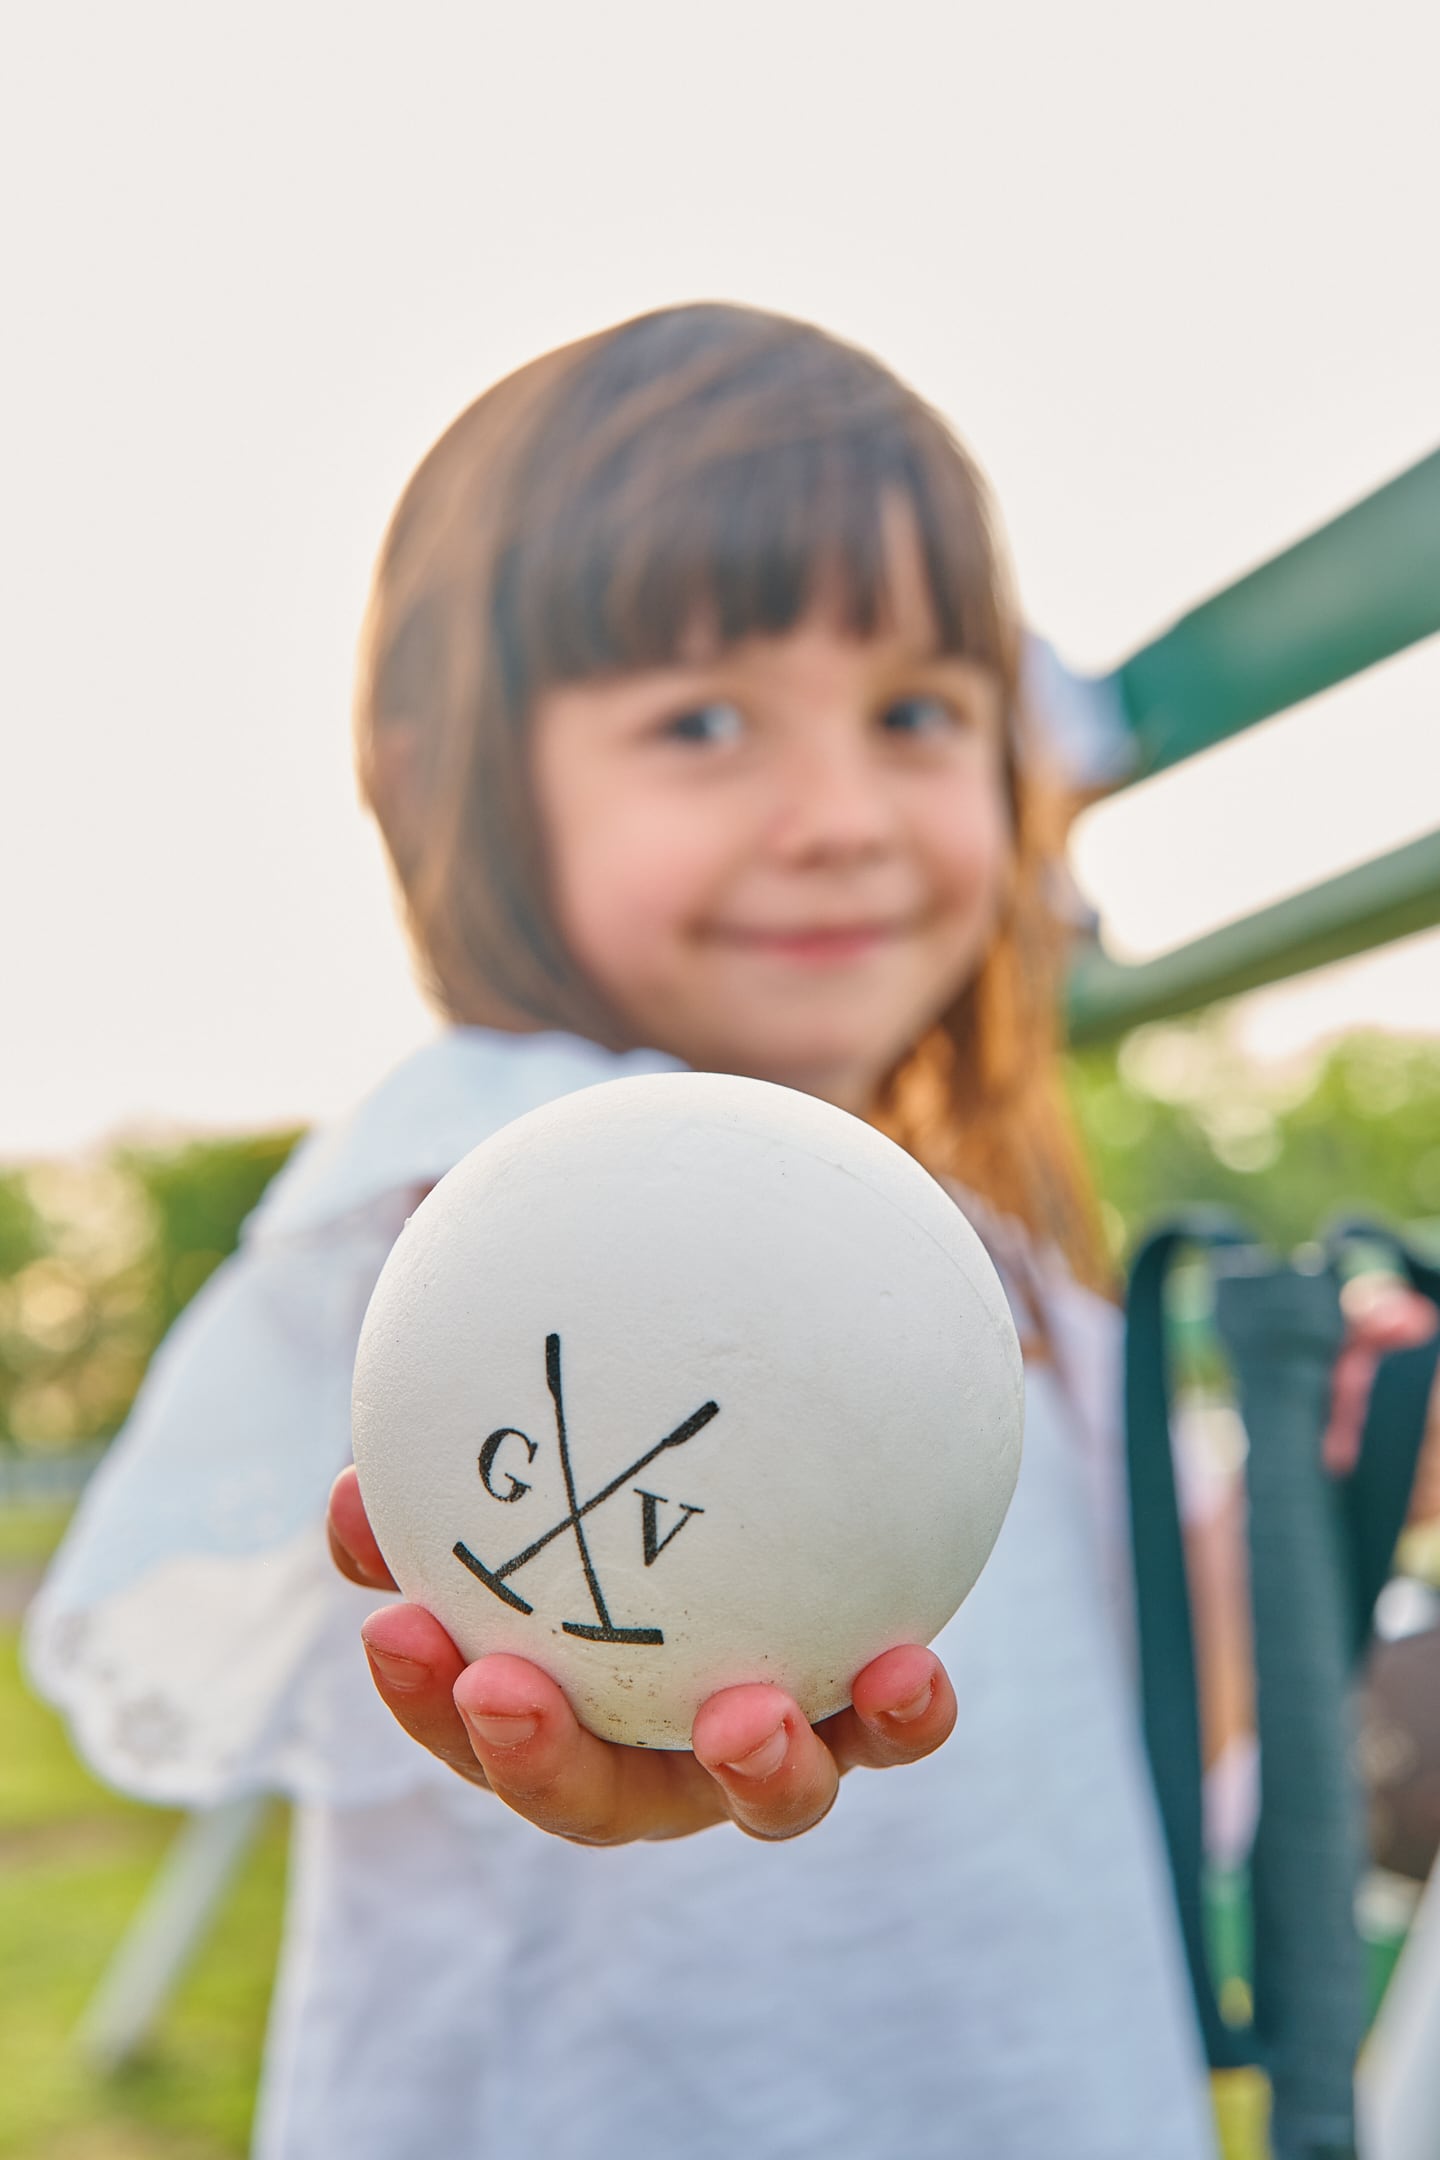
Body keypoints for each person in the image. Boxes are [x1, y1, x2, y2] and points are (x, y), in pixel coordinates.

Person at [28, 304, 1220, 2157]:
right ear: (470, 780)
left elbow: (1134, 1649)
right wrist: (567, 1674)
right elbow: (217, 1621)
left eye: (917, 712)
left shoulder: (978, 1266)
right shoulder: (479, 1182)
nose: (839, 818)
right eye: (705, 721)